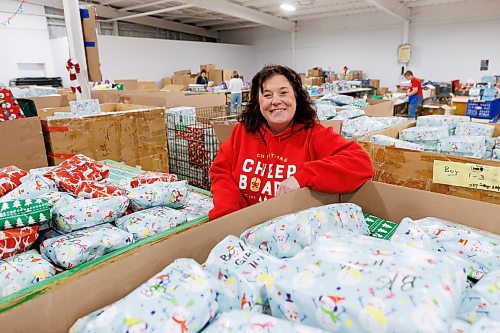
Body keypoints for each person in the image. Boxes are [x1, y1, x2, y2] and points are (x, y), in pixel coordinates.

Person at [209, 64, 374, 220]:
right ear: (258, 102)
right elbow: (221, 172)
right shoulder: (243, 132)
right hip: (243, 227)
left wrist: (302, 177)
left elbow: (360, 163)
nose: (275, 101)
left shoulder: (314, 135)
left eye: (283, 93)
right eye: (267, 95)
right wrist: (228, 216)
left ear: (296, 97)